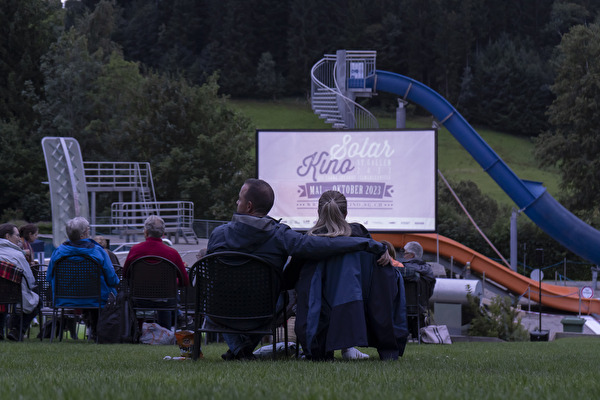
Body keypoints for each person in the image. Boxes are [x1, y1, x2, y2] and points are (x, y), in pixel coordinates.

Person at [206, 179, 391, 360]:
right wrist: (369, 244)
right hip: (262, 309)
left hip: (218, 311)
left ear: (248, 206)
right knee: (280, 295)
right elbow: (320, 246)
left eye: (239, 198)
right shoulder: (279, 235)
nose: (237, 202)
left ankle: (239, 349)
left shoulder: (217, 234)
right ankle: (241, 350)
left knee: (213, 293)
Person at [292, 190, 408, 361]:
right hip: (360, 305)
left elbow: (290, 278)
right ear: (346, 213)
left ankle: (319, 350)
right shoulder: (364, 239)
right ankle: (385, 350)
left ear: (318, 212)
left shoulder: (308, 243)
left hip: (321, 311)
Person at [47, 217, 120, 339]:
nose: (89, 233)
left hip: (65, 298)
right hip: (95, 298)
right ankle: (99, 332)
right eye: (87, 230)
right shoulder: (98, 251)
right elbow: (112, 279)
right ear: (83, 235)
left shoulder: (58, 252)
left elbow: (49, 276)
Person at [123, 215, 189, 329]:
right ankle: (166, 331)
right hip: (166, 300)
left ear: (146, 231)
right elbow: (185, 282)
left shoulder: (135, 250)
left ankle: (136, 332)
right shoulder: (172, 253)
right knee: (166, 297)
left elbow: (125, 275)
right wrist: (172, 282)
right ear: (163, 233)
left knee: (165, 296)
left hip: (139, 299)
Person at [0, 223, 40, 341]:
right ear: (8, 236)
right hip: (14, 297)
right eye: (17, 235)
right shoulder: (18, 255)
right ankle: (17, 330)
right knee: (37, 301)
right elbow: (30, 281)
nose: (19, 238)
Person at [400, 241, 436, 339]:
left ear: (411, 255)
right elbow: (431, 290)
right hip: (422, 305)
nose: (403, 255)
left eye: (405, 253)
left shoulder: (403, 268)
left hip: (402, 306)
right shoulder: (428, 270)